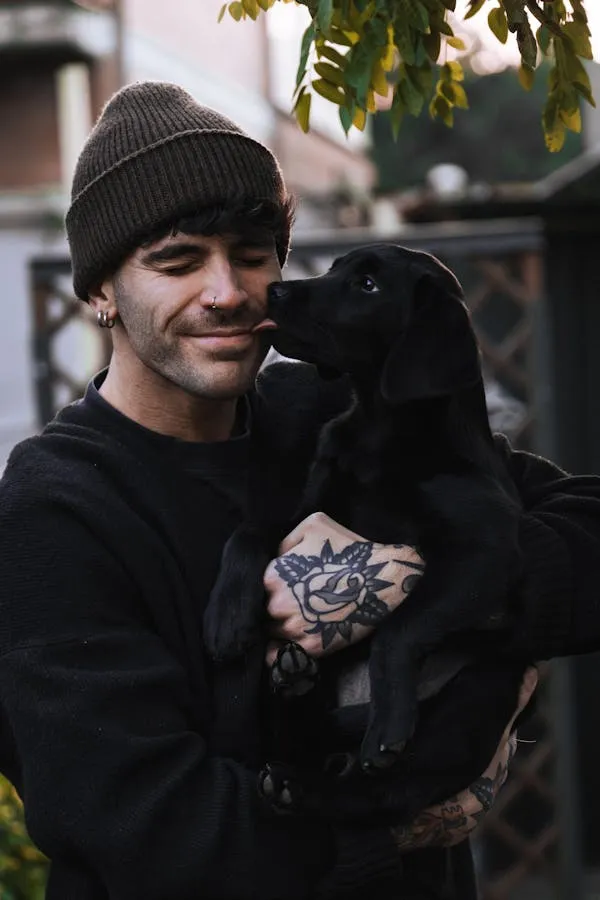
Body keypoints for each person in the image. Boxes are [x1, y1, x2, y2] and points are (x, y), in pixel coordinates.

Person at [0, 80, 596, 900]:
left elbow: (581, 533)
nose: (228, 292)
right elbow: (149, 831)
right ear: (101, 290)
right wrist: (393, 822)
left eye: (252, 255)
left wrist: (403, 583)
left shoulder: (333, 414)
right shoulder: (55, 510)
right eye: (178, 262)